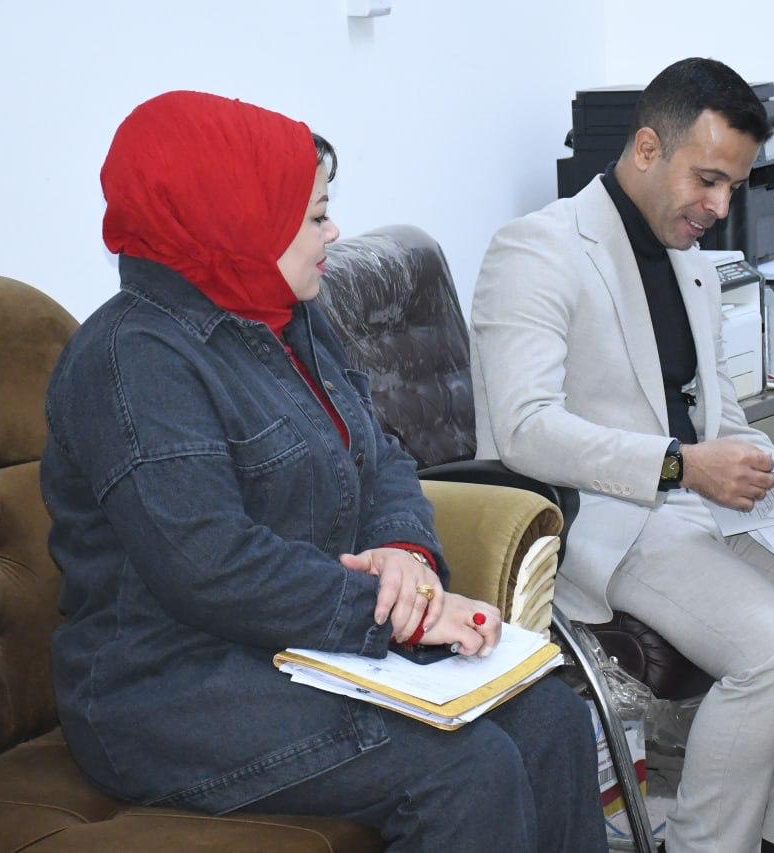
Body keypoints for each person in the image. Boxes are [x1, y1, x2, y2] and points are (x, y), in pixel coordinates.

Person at [42, 90, 606, 852]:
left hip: (301, 648)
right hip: (170, 690)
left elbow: (381, 451)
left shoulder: (284, 316)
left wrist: (405, 552)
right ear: (236, 217)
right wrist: (392, 611)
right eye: (313, 216)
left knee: (554, 719)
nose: (333, 232)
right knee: (467, 771)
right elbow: (209, 563)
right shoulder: (132, 360)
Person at [470, 58, 774, 853]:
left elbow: (721, 418)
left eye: (733, 186)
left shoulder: (691, 265)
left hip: (707, 508)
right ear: (647, 148)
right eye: (708, 180)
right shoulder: (537, 249)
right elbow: (524, 429)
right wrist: (680, 465)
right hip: (611, 523)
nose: (720, 208)